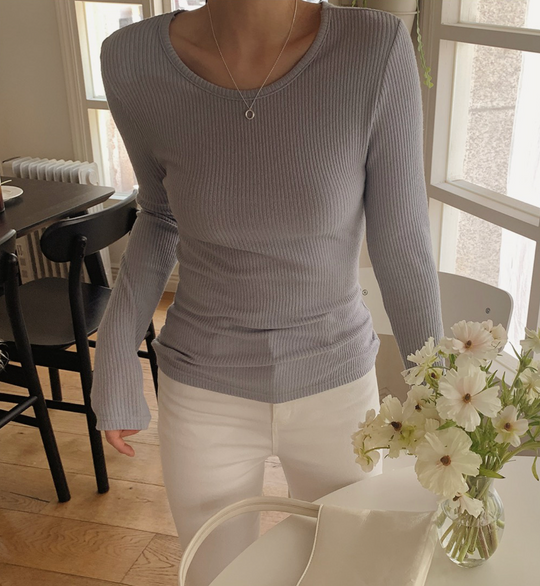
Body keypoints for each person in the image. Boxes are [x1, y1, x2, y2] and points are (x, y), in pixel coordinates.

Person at [90, 1, 444, 584]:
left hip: (337, 386)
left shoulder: (374, 49)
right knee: (215, 577)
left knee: (353, 572)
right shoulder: (131, 60)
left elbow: (401, 238)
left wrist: (445, 393)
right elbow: (159, 214)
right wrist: (115, 357)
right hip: (202, 387)